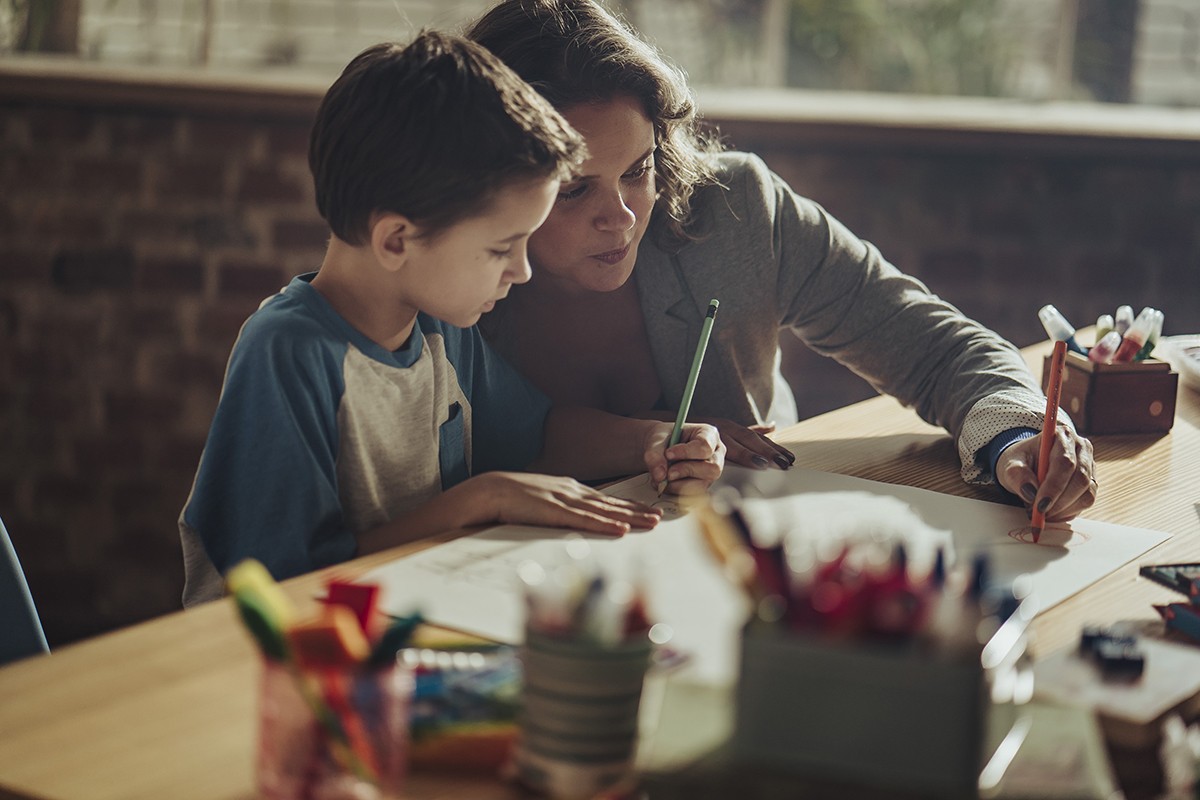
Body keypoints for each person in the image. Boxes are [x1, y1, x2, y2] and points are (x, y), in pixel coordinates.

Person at [467, 0, 1097, 522]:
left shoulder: (735, 212)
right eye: (575, 190)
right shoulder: (445, 271)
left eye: (639, 171)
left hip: (751, 549)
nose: (624, 217)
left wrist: (1015, 436)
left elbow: (939, 351)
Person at [178, 31, 724, 607]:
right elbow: (280, 581)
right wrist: (475, 501)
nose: (522, 272)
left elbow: (533, 436)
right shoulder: (287, 351)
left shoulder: (441, 329)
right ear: (396, 240)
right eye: (500, 249)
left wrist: (652, 440)